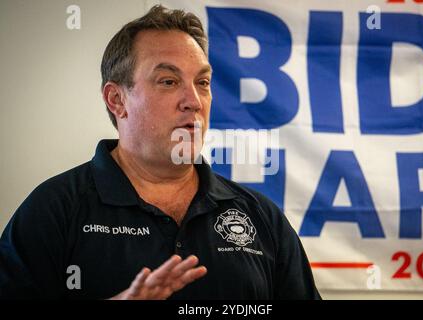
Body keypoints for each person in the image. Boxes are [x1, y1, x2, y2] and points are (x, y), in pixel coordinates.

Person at [0, 5, 320, 300]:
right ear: (117, 100)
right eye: (168, 81)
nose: (194, 101)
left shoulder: (261, 217)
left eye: (203, 82)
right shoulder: (53, 211)